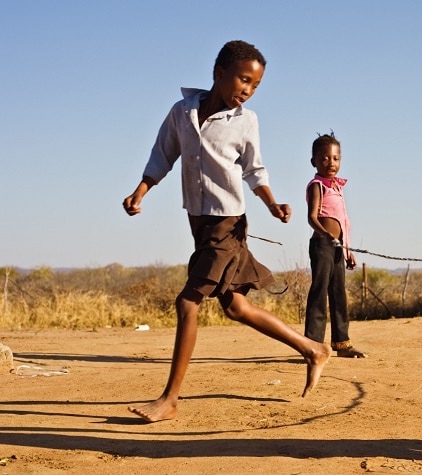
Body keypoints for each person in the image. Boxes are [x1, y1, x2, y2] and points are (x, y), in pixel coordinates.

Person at [122, 40, 331, 423]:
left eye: (255, 86)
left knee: (188, 302)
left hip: (228, 222)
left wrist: (271, 203)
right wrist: (141, 190)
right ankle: (312, 349)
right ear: (219, 72)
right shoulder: (182, 112)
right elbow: (162, 154)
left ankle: (170, 399)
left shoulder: (246, 121)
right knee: (235, 306)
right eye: (243, 80)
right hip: (199, 221)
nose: (247, 90)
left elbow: (254, 169)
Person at [304, 133, 367, 358]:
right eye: (325, 159)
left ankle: (342, 344)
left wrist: (347, 250)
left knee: (339, 294)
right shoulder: (317, 186)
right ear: (314, 161)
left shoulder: (337, 188)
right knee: (319, 293)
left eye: (336, 158)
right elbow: (312, 217)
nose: (331, 163)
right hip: (322, 246)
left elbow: (343, 222)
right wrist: (326, 235)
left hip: (339, 248)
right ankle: (312, 346)